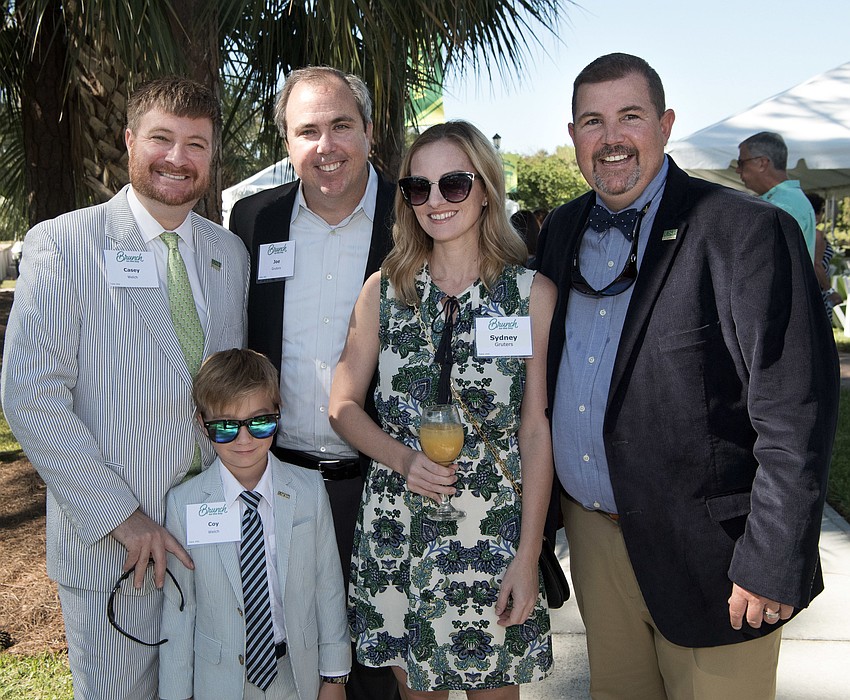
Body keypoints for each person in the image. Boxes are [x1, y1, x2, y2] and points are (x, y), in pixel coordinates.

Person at [535, 53, 838, 699]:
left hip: (717, 558)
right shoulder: (561, 229)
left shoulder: (746, 231)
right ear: (574, 137)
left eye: (630, 116)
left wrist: (773, 558)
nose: (611, 138)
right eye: (593, 121)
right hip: (593, 538)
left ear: (666, 124)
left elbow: (794, 412)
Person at [0, 77, 250, 698]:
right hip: (117, 546)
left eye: (196, 144)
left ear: (211, 157)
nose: (177, 158)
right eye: (162, 138)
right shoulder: (62, 244)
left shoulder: (229, 253)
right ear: (130, 140)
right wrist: (124, 517)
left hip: (211, 539)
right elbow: (31, 393)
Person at [329, 120, 557, 698]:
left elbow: (535, 431)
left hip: (495, 531)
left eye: (453, 185)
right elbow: (343, 406)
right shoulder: (383, 289)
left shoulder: (530, 294)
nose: (435, 201)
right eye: (418, 187)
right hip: (400, 526)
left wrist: (530, 554)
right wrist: (403, 460)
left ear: (485, 190)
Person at [228, 65, 397, 700]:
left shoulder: (416, 215)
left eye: (340, 126)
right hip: (281, 479)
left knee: (381, 665)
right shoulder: (254, 221)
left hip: (384, 483)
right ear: (288, 144)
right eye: (307, 131)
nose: (325, 146)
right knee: (293, 661)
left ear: (370, 132)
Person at [159, 349, 350, 700]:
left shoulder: (308, 491)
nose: (244, 440)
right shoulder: (184, 504)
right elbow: (180, 611)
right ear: (202, 424)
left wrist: (334, 677)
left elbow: (328, 587)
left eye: (259, 422)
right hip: (220, 682)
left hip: (296, 674)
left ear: (278, 414)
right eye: (225, 426)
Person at [736, 131, 817, 261]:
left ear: (762, 163)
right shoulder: (786, 201)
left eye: (741, 163)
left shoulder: (783, 206)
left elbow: (764, 261)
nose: (737, 169)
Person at [806, 191, 842, 321]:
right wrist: (829, 291)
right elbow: (817, 264)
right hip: (819, 290)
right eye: (822, 210)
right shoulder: (816, 235)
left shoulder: (804, 230)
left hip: (810, 288)